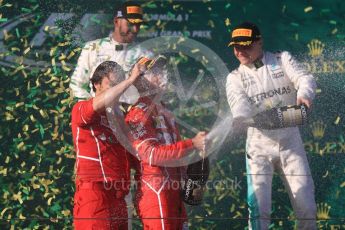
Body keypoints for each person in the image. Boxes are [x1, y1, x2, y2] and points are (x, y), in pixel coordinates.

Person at [226, 22, 317, 229]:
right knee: (260, 211)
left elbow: (305, 78)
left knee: (307, 207)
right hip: (258, 146)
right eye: (235, 46)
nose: (240, 51)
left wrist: (304, 95)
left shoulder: (281, 59)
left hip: (290, 141)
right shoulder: (234, 77)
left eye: (246, 45)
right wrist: (240, 118)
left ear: (259, 42)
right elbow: (238, 104)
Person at [125, 57, 206, 229]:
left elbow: (175, 153)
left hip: (174, 192)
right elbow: (151, 154)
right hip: (155, 192)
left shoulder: (165, 111)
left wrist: (189, 180)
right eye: (154, 72)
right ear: (139, 81)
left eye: (162, 70)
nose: (163, 75)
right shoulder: (137, 113)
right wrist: (192, 144)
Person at [71, 60, 145, 229]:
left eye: (119, 85)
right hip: (95, 195)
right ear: (96, 84)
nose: (118, 90)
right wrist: (130, 80)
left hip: (119, 198)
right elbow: (97, 104)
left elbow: (138, 155)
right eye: (111, 84)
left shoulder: (120, 120)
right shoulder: (81, 108)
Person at [70, 1, 150, 104]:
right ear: (116, 21)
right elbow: (76, 84)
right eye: (130, 23)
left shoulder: (146, 54)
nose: (135, 29)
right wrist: (92, 108)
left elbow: (154, 91)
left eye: (138, 24)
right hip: (97, 114)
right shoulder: (92, 48)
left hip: (130, 116)